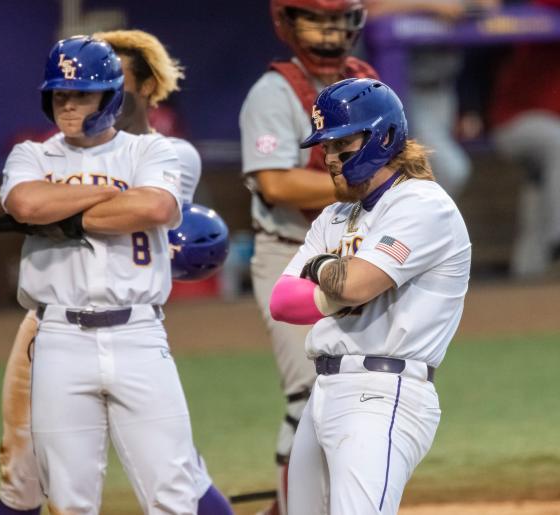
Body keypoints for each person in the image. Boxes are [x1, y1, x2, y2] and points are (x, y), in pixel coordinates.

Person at [0, 34, 224, 515]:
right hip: (57, 336)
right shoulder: (32, 156)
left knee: (174, 489)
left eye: (81, 94)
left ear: (111, 96)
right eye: (60, 94)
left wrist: (66, 217)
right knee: (68, 499)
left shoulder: (153, 153)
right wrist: (114, 196)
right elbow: (27, 203)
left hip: (139, 332)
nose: (68, 104)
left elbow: (157, 205)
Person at [268, 78, 471, 514]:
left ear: (384, 137)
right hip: (323, 391)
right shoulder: (335, 215)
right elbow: (282, 302)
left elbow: (356, 284)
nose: (331, 158)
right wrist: (338, 290)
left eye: (343, 143)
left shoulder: (421, 204)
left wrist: (323, 271)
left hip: (382, 394)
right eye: (325, 147)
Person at [239, 1, 375, 513]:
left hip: (355, 255)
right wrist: (367, 182)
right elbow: (275, 181)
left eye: (339, 21)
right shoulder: (272, 94)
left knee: (355, 384)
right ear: (289, 24)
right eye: (318, 20)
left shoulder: (365, 80)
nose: (330, 34)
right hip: (292, 254)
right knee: (309, 395)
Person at [366, 0, 501, 198]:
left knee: (428, 174)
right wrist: (429, 5)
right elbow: (370, 10)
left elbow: (490, 5)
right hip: (403, 91)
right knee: (450, 170)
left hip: (445, 89)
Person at [489, 0, 560, 278]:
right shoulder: (540, 13)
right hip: (516, 122)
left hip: (547, 130)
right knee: (558, 143)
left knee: (539, 191)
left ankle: (527, 274)